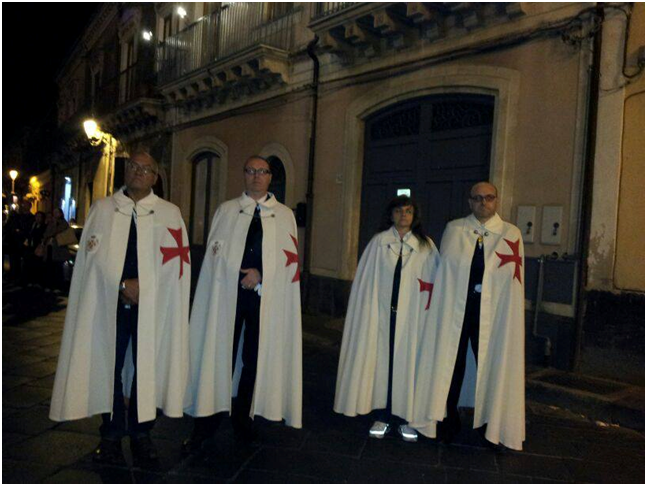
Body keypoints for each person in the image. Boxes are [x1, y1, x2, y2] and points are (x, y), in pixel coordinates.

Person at [50, 152, 191, 467]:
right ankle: (111, 434)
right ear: (126, 171)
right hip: (108, 303)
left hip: (152, 306)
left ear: (155, 177)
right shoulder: (103, 209)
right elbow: (92, 259)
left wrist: (145, 286)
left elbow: (177, 264)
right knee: (108, 366)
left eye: (145, 169)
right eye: (133, 167)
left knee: (147, 366)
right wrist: (121, 284)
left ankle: (141, 433)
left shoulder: (169, 214)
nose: (138, 172)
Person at [183, 155, 302, 453]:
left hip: (264, 297)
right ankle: (207, 421)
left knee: (253, 359)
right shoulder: (227, 211)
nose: (256, 176)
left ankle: (242, 417)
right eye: (251, 170)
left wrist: (261, 275)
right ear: (244, 174)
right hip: (227, 294)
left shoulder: (284, 215)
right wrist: (236, 272)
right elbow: (215, 253)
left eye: (262, 171)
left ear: (270, 177)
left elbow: (289, 261)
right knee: (218, 354)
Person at [412, 182, 525, 451]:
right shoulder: (455, 230)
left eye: (489, 198)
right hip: (456, 312)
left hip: (493, 315)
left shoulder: (511, 233)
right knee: (452, 365)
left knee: (492, 364)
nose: (483, 202)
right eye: (477, 198)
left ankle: (491, 426)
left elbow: (510, 282)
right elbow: (446, 273)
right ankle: (446, 421)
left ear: (496, 201)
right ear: (469, 202)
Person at [334, 195, 439, 442]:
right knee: (381, 366)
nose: (403, 215)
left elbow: (435, 283)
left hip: (413, 320)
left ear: (415, 216)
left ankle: (405, 418)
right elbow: (366, 283)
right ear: (391, 215)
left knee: (408, 366)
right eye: (399, 211)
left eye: (408, 211)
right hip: (381, 318)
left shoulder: (426, 246)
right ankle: (382, 415)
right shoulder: (378, 243)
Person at [43, 207, 71, 292]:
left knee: (58, 268)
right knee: (50, 267)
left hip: (59, 248)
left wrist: (54, 225)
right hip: (50, 248)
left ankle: (58, 286)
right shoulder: (51, 223)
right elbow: (46, 233)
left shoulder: (63, 223)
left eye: (57, 212)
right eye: (54, 212)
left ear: (60, 214)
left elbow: (57, 231)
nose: (55, 214)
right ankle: (49, 285)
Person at [5, 199, 34, 281]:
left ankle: (21, 277)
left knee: (24, 261)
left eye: (25, 205)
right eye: (23, 205)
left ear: (29, 206)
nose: (23, 206)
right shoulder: (17, 217)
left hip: (23, 241)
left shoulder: (32, 218)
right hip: (14, 241)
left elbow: (29, 229)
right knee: (14, 259)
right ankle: (13, 275)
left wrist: (21, 232)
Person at [25, 211, 47, 286]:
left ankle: (37, 281)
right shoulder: (33, 225)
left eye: (39, 217)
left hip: (38, 247)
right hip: (31, 246)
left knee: (38, 265)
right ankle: (31, 280)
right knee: (31, 264)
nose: (37, 218)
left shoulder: (44, 227)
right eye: (37, 217)